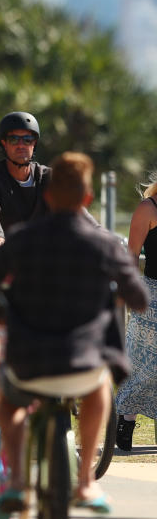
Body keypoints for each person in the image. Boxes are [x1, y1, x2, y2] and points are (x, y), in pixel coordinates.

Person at [0, 152, 148, 519]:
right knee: (99, 392)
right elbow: (140, 299)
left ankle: (16, 482)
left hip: (28, 362)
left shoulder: (20, 240)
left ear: (47, 197)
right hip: (83, 363)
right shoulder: (105, 245)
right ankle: (85, 482)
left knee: (11, 405)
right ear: (87, 200)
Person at [111, 174, 157, 451]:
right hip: (151, 293)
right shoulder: (148, 209)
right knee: (143, 365)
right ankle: (125, 419)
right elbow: (132, 255)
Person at [0, 111, 51, 260]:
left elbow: (75, 211)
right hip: (3, 263)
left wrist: (101, 234)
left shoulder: (48, 178)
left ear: (34, 143)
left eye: (27, 139)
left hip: (42, 266)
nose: (21, 145)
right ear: (4, 143)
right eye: (14, 139)